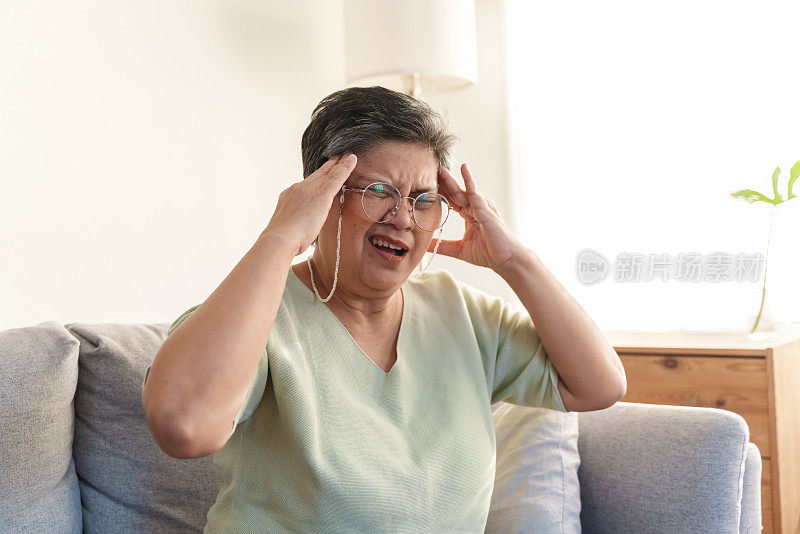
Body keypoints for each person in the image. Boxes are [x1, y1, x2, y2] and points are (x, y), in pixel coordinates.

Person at [141, 86, 627, 532]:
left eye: (424, 200)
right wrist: (281, 236)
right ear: (321, 195)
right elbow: (185, 427)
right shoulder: (259, 316)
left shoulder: (463, 314)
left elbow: (599, 386)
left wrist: (515, 261)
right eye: (379, 192)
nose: (403, 219)